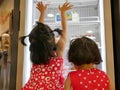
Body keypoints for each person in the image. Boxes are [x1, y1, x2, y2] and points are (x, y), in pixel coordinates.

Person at [21, 1, 73, 90]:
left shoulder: (36, 53)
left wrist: (42, 13)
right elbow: (64, 32)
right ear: (53, 39)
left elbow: (39, 33)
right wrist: (62, 13)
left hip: (31, 87)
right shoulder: (58, 52)